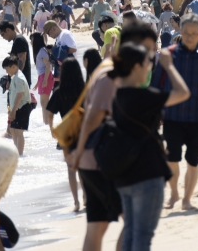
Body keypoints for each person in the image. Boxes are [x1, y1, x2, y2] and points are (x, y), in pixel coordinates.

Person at [70, 22, 158, 251]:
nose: (150, 57)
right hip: (102, 160)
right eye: (147, 50)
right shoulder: (112, 75)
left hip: (95, 158)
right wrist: (77, 154)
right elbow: (92, 118)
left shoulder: (114, 68)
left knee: (97, 226)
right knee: (133, 222)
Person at [108, 43, 190, 250]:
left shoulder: (117, 96)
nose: (150, 67)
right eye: (147, 64)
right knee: (142, 238)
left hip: (124, 175)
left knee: (131, 235)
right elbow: (183, 92)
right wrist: (169, 67)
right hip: (148, 173)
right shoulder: (144, 96)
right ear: (136, 67)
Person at [151, 13, 198, 210]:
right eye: (186, 32)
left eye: (194, 33)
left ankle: (187, 199)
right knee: (172, 158)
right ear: (180, 31)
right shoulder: (168, 55)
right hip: (172, 117)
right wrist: (156, 115)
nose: (190, 37)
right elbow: (156, 86)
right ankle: (174, 193)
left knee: (193, 159)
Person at [46, 58, 86, 212]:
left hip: (67, 134)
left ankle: (76, 201)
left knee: (71, 169)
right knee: (83, 167)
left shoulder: (59, 92)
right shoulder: (84, 90)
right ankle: (86, 197)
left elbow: (49, 114)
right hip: (84, 131)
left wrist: (52, 130)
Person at [2, 56, 33, 156]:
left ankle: (20, 155)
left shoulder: (19, 78)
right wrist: (11, 109)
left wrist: (13, 110)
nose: (7, 72)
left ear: (14, 67)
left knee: (19, 132)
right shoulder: (14, 77)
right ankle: (16, 153)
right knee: (13, 130)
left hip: (22, 107)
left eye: (7, 69)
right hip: (16, 108)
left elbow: (20, 95)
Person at [0, 21, 32, 86]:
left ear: (8, 30)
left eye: (3, 34)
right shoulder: (17, 40)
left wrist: (15, 79)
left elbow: (22, 60)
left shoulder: (19, 40)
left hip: (21, 82)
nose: (3, 37)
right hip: (20, 81)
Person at [30, 32, 54, 125]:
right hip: (43, 77)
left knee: (44, 102)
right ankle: (46, 123)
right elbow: (42, 69)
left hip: (46, 77)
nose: (31, 41)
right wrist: (37, 84)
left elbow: (48, 66)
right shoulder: (40, 51)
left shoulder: (42, 50)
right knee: (43, 102)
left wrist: (44, 80)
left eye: (31, 39)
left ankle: (47, 123)